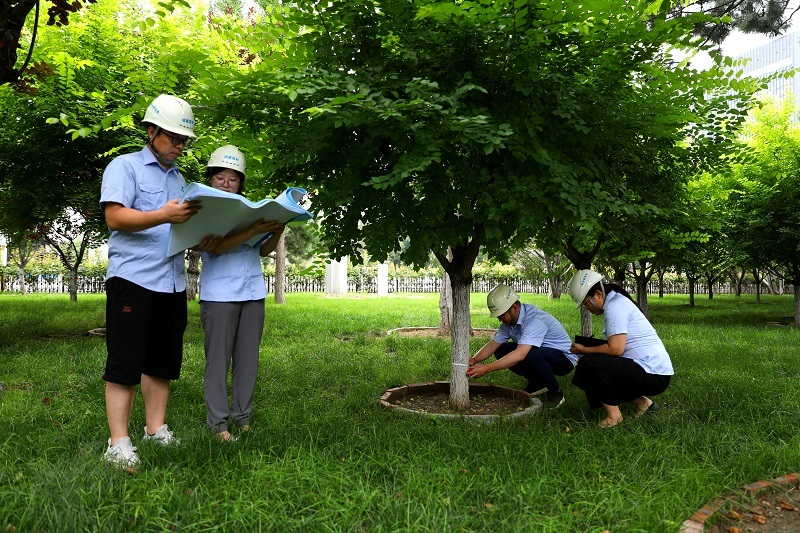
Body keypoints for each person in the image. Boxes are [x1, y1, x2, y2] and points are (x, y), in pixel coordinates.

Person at [100, 94, 221, 466]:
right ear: (151, 131)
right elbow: (116, 218)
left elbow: (178, 227)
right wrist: (163, 215)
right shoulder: (125, 167)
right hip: (133, 280)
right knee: (125, 361)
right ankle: (117, 443)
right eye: (174, 138)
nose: (180, 147)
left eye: (184, 141)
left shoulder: (181, 179)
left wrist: (202, 235)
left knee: (161, 362)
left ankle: (155, 430)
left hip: (171, 283)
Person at [199, 145, 285, 443]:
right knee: (218, 362)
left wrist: (276, 230)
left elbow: (263, 250)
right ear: (210, 179)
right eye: (219, 177)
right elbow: (215, 246)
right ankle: (218, 425)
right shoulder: (204, 209)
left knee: (248, 361)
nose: (226, 183)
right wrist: (253, 230)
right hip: (218, 294)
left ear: (241, 182)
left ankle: (243, 417)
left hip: (252, 292)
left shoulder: (250, 210)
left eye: (233, 179)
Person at [567, 269, 673, 428]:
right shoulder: (616, 301)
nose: (586, 307)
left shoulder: (615, 306)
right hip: (656, 371)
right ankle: (644, 404)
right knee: (596, 363)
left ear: (598, 294)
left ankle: (614, 416)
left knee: (589, 363)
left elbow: (616, 349)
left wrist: (584, 350)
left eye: (585, 302)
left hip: (653, 373)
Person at [466, 284, 578, 408]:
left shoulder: (533, 320)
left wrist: (487, 368)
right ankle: (537, 383)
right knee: (501, 350)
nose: (500, 319)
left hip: (564, 359)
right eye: (498, 316)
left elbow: (520, 355)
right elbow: (493, 345)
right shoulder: (509, 323)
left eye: (502, 315)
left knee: (531, 354)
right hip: (540, 353)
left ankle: (555, 393)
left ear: (514, 307)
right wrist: (474, 359)